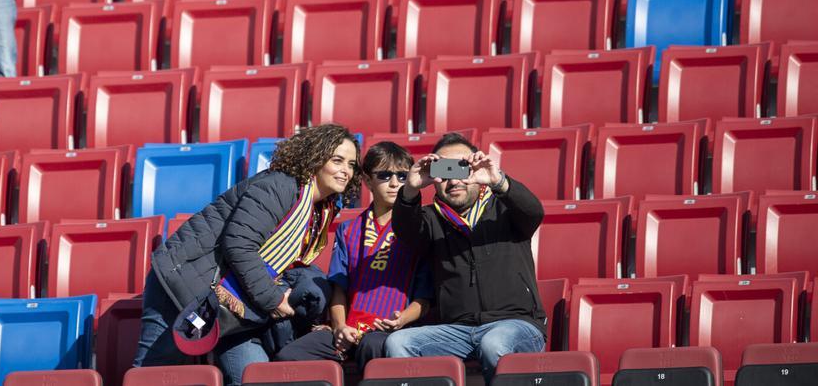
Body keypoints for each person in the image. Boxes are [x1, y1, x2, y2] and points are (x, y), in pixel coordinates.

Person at [134, 124, 362, 385]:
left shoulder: (319, 210)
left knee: (255, 379)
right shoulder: (280, 186)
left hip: (239, 305)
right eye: (337, 160)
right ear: (314, 157)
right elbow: (239, 245)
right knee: (152, 373)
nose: (346, 170)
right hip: (183, 287)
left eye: (352, 164)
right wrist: (274, 299)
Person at [384, 132, 546, 384]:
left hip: (516, 324)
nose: (453, 180)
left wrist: (498, 181)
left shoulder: (505, 208)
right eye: (444, 171)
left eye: (462, 168)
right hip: (457, 330)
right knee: (399, 342)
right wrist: (410, 189)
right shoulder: (429, 218)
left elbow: (534, 211)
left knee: (495, 342)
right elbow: (405, 231)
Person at [274, 141, 434, 371]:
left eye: (402, 176)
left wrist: (401, 320)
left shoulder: (420, 227)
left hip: (395, 328)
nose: (394, 183)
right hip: (350, 327)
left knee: (372, 346)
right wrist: (339, 327)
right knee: (289, 357)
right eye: (385, 175)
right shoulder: (348, 230)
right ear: (367, 181)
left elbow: (424, 299)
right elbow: (339, 288)